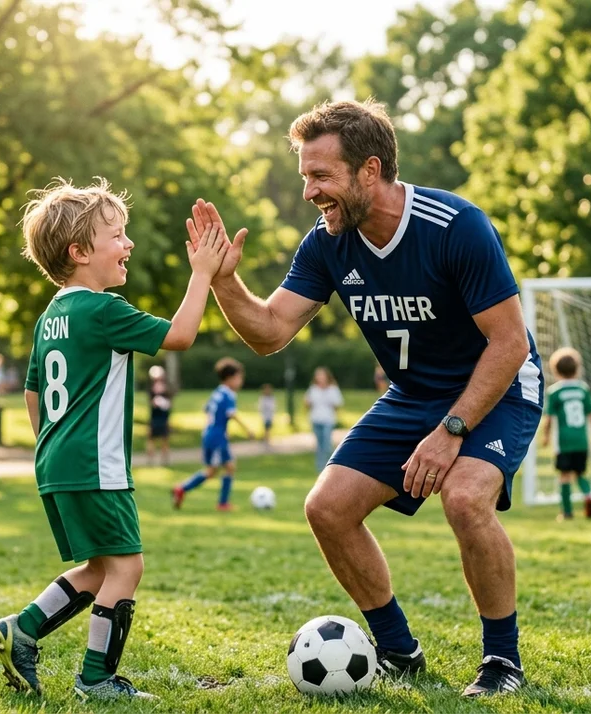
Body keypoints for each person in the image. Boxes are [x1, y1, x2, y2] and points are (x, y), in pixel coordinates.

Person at [191, 99, 542, 696]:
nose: (309, 192)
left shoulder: (456, 226)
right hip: (414, 394)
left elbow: (508, 344)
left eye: (321, 176)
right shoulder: (328, 243)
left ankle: (501, 661)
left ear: (370, 171)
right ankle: (399, 651)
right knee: (326, 507)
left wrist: (452, 431)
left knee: (463, 498)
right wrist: (222, 279)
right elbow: (270, 332)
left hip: (498, 384)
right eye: (306, 176)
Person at [0, 178, 227, 701]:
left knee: (100, 568)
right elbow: (180, 336)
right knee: (127, 567)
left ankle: (20, 630)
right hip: (96, 465)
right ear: (79, 252)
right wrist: (202, 274)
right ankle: (96, 679)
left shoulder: (52, 315)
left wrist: (53, 445)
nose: (128, 244)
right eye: (117, 235)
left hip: (57, 464)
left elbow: (31, 392)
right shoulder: (101, 310)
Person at [171, 358, 254, 511]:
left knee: (213, 470)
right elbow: (232, 415)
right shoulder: (229, 395)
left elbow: (206, 409)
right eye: (239, 378)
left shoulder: (217, 392)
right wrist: (247, 430)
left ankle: (182, 489)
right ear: (230, 378)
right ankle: (222, 503)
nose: (241, 382)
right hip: (217, 437)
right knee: (227, 468)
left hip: (209, 433)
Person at [540, 348, 591, 521]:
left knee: (565, 475)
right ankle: (588, 495)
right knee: (580, 473)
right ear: (577, 368)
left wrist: (545, 437)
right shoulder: (583, 389)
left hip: (563, 442)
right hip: (582, 441)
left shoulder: (555, 392)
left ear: (555, 370)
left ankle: (566, 513)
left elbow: (549, 419)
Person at [304, 367, 344, 471]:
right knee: (319, 445)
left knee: (326, 444)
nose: (319, 377)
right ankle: (320, 468)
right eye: (318, 375)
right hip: (316, 419)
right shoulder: (313, 389)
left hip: (327, 420)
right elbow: (307, 403)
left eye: (321, 375)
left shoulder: (332, 389)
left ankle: (330, 466)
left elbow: (337, 404)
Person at [145, 365, 173, 466]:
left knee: (164, 440)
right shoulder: (154, 390)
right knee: (152, 440)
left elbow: (169, 404)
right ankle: (151, 460)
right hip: (155, 417)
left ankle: (164, 460)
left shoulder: (164, 389)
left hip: (162, 418)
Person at [258, 383, 276, 450]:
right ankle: (266, 439)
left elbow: (273, 406)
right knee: (266, 427)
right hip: (265, 415)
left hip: (270, 415)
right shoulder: (263, 398)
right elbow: (261, 407)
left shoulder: (271, 397)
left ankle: (266, 438)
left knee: (268, 427)